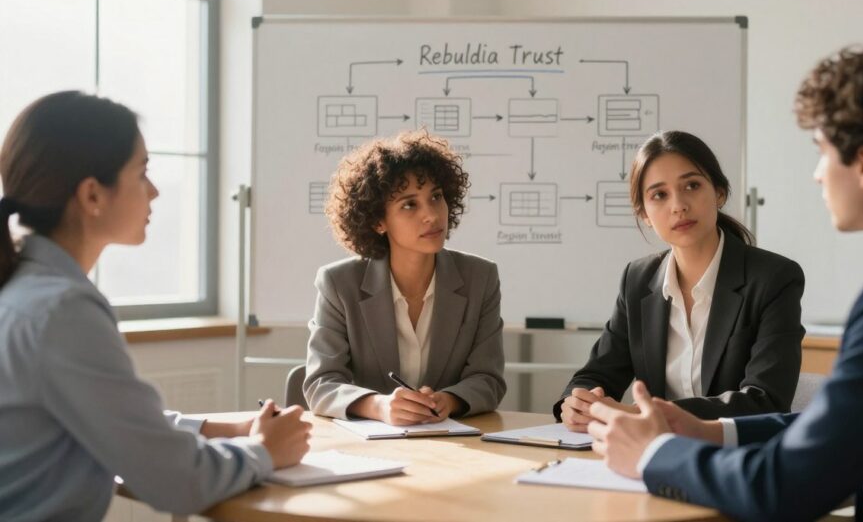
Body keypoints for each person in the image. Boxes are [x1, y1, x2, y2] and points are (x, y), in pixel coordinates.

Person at [587, 44, 863, 521]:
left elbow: (786, 487)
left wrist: (652, 456)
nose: (817, 176)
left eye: (822, 152)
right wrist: (709, 432)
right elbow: (850, 428)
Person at [0, 91, 311, 522]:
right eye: (142, 173)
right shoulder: (63, 312)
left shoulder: (24, 288)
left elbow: (109, 412)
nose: (155, 191)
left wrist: (221, 429)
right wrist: (263, 452)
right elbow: (178, 480)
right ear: (92, 195)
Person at [557, 130, 805, 430]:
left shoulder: (773, 278)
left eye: (692, 185)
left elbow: (766, 400)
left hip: (735, 458)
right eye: (659, 195)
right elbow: (598, 374)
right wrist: (577, 403)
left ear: (719, 192)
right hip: (653, 456)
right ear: (644, 213)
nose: (678, 205)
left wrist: (640, 413)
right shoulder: (637, 280)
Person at [304, 130, 505, 425]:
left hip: (451, 443)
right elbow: (321, 384)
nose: (432, 215)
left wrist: (447, 400)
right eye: (409, 204)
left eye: (436, 197)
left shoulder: (480, 277)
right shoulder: (338, 284)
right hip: (369, 449)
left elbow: (488, 379)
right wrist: (379, 406)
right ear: (378, 221)